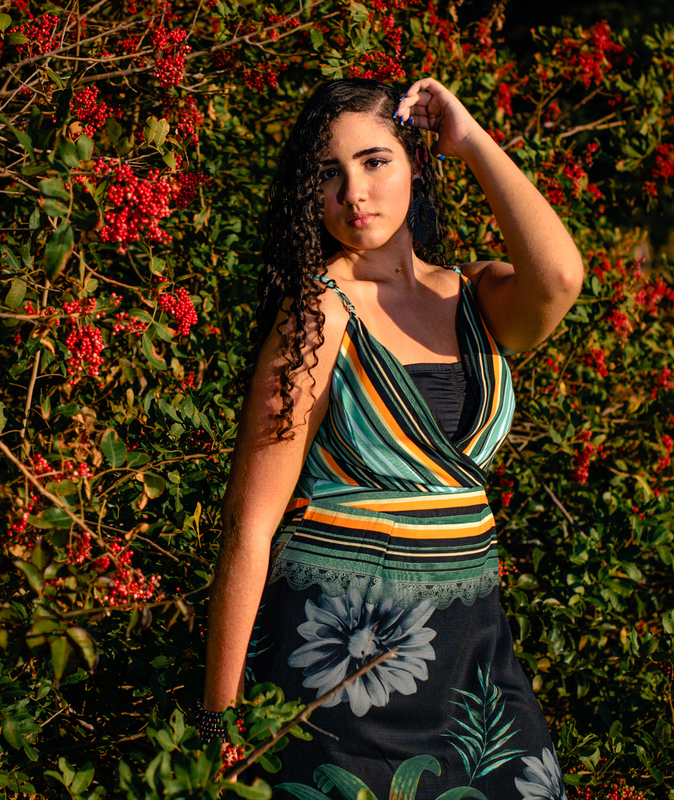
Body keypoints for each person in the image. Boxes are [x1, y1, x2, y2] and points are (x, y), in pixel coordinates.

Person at [199, 77, 583, 799]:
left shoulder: (475, 297)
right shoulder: (316, 314)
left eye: (375, 161)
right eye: (329, 174)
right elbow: (249, 527)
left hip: (470, 665)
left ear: (415, 162)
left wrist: (468, 141)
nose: (355, 192)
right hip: (337, 667)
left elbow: (561, 275)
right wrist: (218, 722)